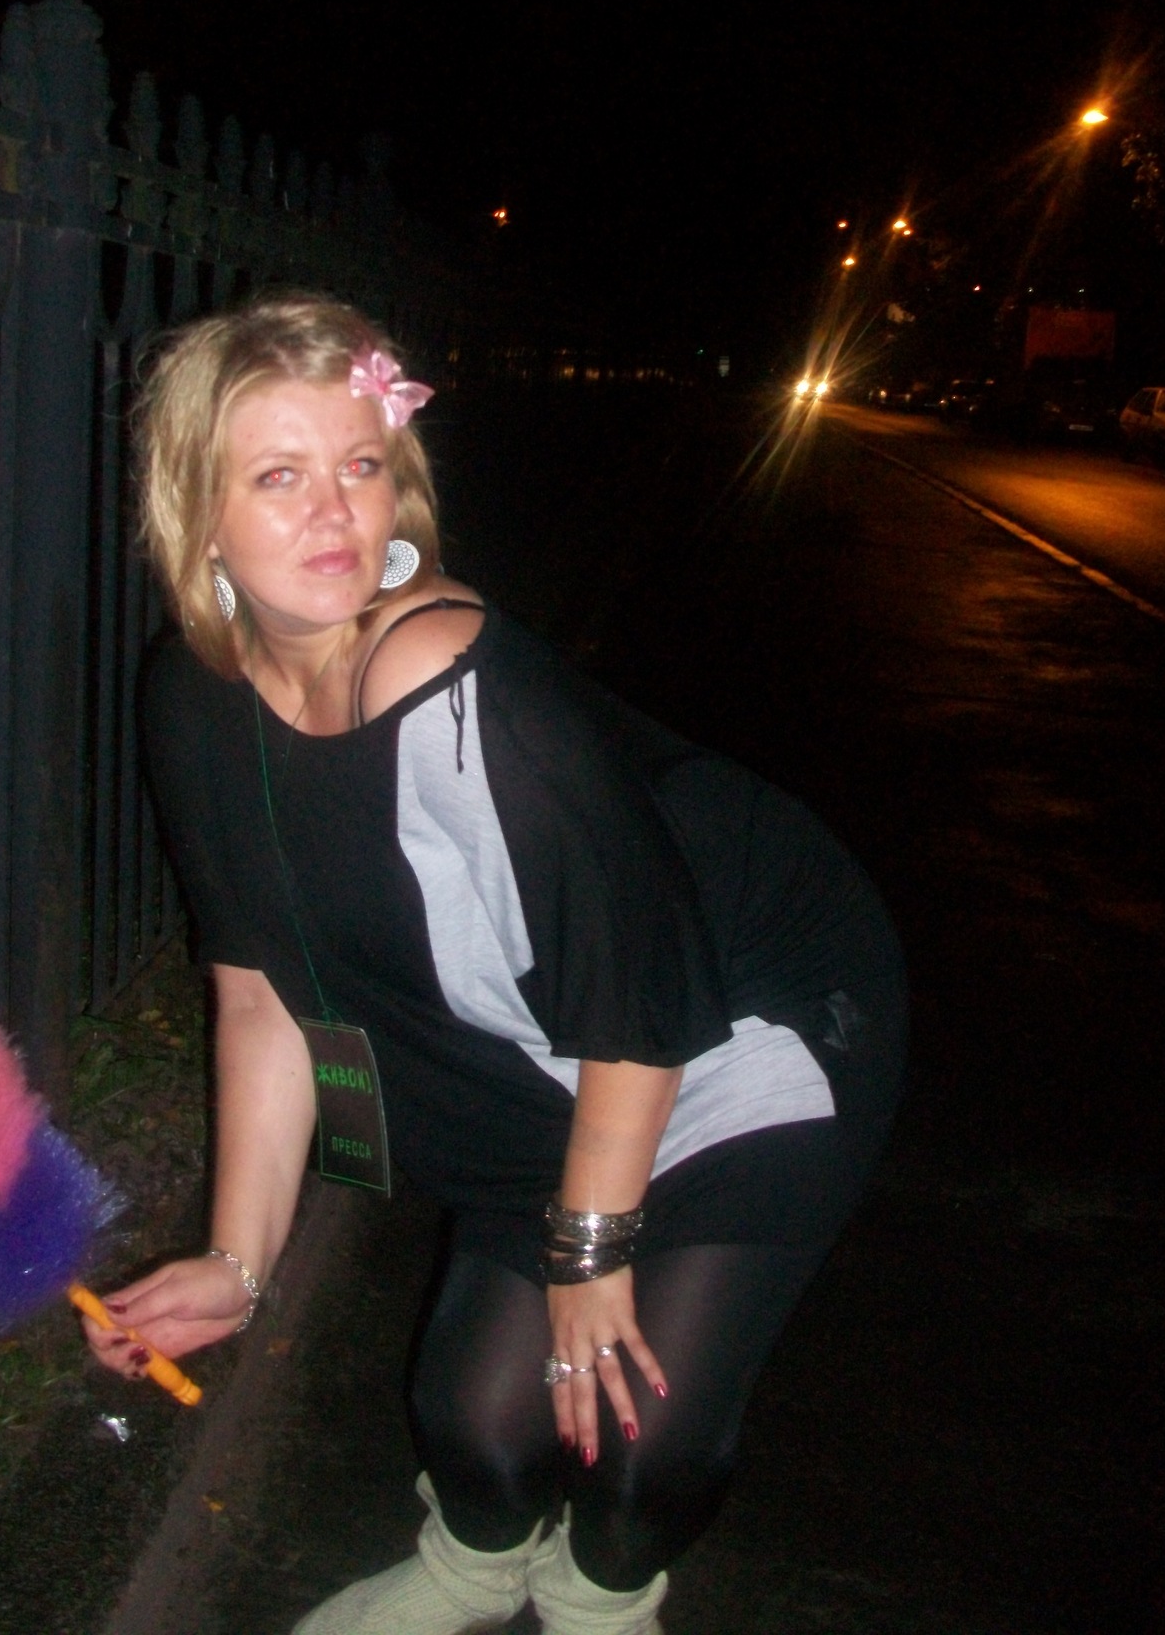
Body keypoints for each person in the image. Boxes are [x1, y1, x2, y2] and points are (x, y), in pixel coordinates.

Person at [82, 292, 906, 1635]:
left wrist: (589, 1252)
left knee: (636, 1443)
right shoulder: (194, 698)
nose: (333, 512)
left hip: (745, 1021)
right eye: (278, 476)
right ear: (199, 514)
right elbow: (260, 996)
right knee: (473, 1419)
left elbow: (639, 994)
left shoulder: (452, 689)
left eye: (361, 464)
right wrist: (238, 1261)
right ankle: (471, 1569)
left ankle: (601, 1602)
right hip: (556, 1055)